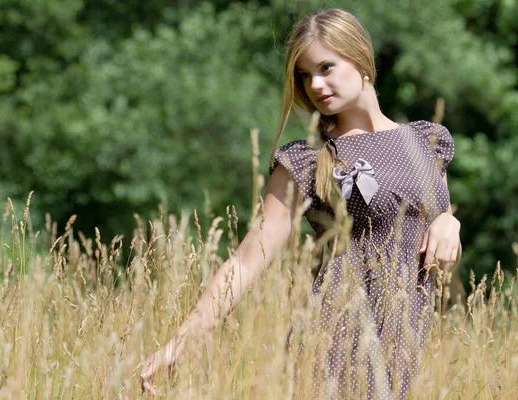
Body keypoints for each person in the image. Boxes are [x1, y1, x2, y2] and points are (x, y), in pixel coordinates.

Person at [140, 8, 461, 398]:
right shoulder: (309, 160)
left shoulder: (427, 141)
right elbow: (246, 260)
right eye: (304, 76)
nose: (316, 84)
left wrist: (449, 221)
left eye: (326, 67)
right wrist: (180, 342)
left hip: (404, 340)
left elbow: (433, 219)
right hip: (336, 339)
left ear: (360, 57)